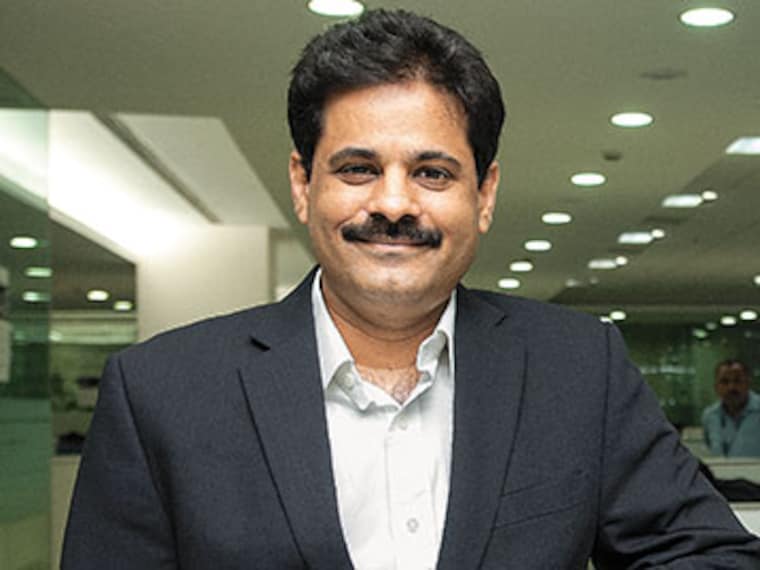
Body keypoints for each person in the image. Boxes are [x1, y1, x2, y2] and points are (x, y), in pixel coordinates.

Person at [62, 9, 760, 569]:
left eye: (432, 173)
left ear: (484, 194)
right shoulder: (160, 393)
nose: (394, 203)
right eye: (358, 169)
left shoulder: (578, 369)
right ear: (303, 184)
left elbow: (708, 553)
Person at [703, 359, 760, 457]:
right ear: (716, 387)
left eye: (737, 381)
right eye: (724, 381)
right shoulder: (709, 415)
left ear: (748, 383)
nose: (731, 387)